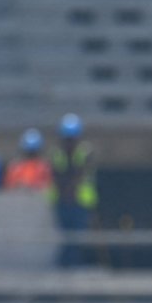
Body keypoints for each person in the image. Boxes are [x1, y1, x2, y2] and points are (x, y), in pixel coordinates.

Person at [49, 113, 97, 267]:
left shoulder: (85, 152)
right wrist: (65, 191)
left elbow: (81, 174)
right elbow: (56, 176)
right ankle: (65, 266)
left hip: (80, 202)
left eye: (72, 138)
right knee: (65, 237)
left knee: (77, 237)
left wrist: (70, 189)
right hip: (62, 202)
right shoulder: (57, 154)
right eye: (66, 139)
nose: (69, 142)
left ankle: (72, 265)